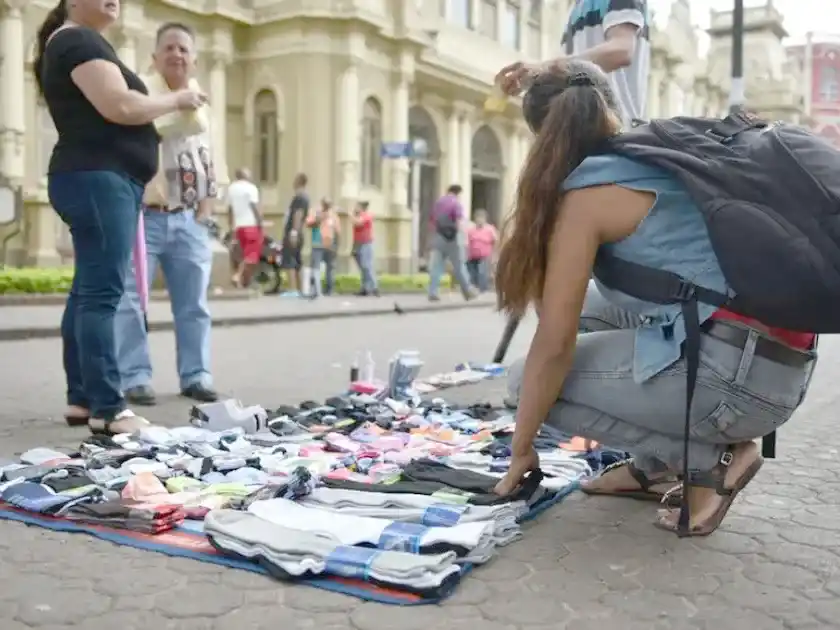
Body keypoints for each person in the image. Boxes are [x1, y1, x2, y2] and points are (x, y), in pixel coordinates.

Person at [491, 62, 816, 537]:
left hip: (738, 386)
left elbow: (554, 344)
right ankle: (654, 464)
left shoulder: (587, 195)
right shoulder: (660, 152)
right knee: (588, 314)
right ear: (612, 106)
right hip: (781, 365)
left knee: (526, 385)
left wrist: (522, 447)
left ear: (544, 137)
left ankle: (710, 459)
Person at [35, 0, 206, 434]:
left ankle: (82, 398)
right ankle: (109, 408)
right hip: (98, 178)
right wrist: (176, 99)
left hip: (97, 178)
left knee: (87, 291)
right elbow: (120, 106)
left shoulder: (79, 39)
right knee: (102, 294)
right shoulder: (77, 39)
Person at [114, 22, 219, 406]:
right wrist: (179, 103)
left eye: (184, 49)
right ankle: (136, 376)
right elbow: (148, 130)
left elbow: (208, 161)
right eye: (169, 48)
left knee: (194, 304)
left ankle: (197, 374)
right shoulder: (141, 93)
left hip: (188, 217)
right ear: (155, 57)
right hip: (145, 215)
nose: (177, 54)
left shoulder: (202, 106)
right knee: (130, 299)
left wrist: (205, 213)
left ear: (193, 59)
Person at [495, 0, 649, 128]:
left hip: (614, 131)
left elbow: (621, 51)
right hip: (579, 132)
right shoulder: (573, 10)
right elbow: (569, 71)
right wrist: (536, 77)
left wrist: (546, 68)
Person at [427, 184, 476, 302]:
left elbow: (432, 221)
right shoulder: (456, 203)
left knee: (436, 266)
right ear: (458, 193)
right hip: (453, 238)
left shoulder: (438, 203)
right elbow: (459, 221)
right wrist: (462, 238)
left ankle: (432, 292)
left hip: (439, 237)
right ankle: (467, 291)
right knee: (459, 265)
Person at [227, 167, 263, 288]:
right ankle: (238, 275)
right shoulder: (251, 188)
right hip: (250, 225)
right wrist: (260, 223)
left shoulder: (231, 188)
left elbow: (230, 209)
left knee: (240, 254)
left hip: (238, 226)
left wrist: (231, 226)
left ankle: (243, 281)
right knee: (251, 255)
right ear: (246, 176)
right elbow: (254, 207)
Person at [281, 173, 309, 294]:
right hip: (298, 233)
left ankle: (292, 289)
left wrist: (293, 232)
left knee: (290, 261)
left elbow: (298, 214)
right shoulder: (304, 197)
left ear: (299, 181)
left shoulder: (300, 197)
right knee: (297, 262)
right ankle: (300, 289)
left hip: (293, 233)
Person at [307, 198, 340, 298]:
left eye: (328, 204)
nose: (326, 206)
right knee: (315, 267)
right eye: (325, 204)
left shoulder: (334, 216)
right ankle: (316, 290)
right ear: (322, 204)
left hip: (330, 245)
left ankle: (330, 289)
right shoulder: (315, 212)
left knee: (330, 268)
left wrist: (336, 246)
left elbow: (338, 232)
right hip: (317, 244)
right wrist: (320, 217)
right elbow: (309, 224)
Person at [351, 200, 379, 297]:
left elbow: (358, 223)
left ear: (361, 208)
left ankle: (374, 287)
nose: (355, 208)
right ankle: (365, 288)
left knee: (367, 266)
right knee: (363, 267)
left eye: (356, 206)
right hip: (358, 243)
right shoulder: (358, 216)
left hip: (366, 243)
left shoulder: (367, 215)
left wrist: (349, 215)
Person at [466, 209, 498, 292]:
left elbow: (495, 241)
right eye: (477, 218)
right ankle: (473, 288)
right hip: (472, 256)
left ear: (485, 219)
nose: (479, 220)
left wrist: (494, 254)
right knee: (472, 273)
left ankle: (483, 290)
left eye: (481, 218)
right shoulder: (471, 229)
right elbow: (467, 242)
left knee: (482, 272)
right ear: (475, 219)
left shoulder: (490, 229)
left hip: (484, 255)